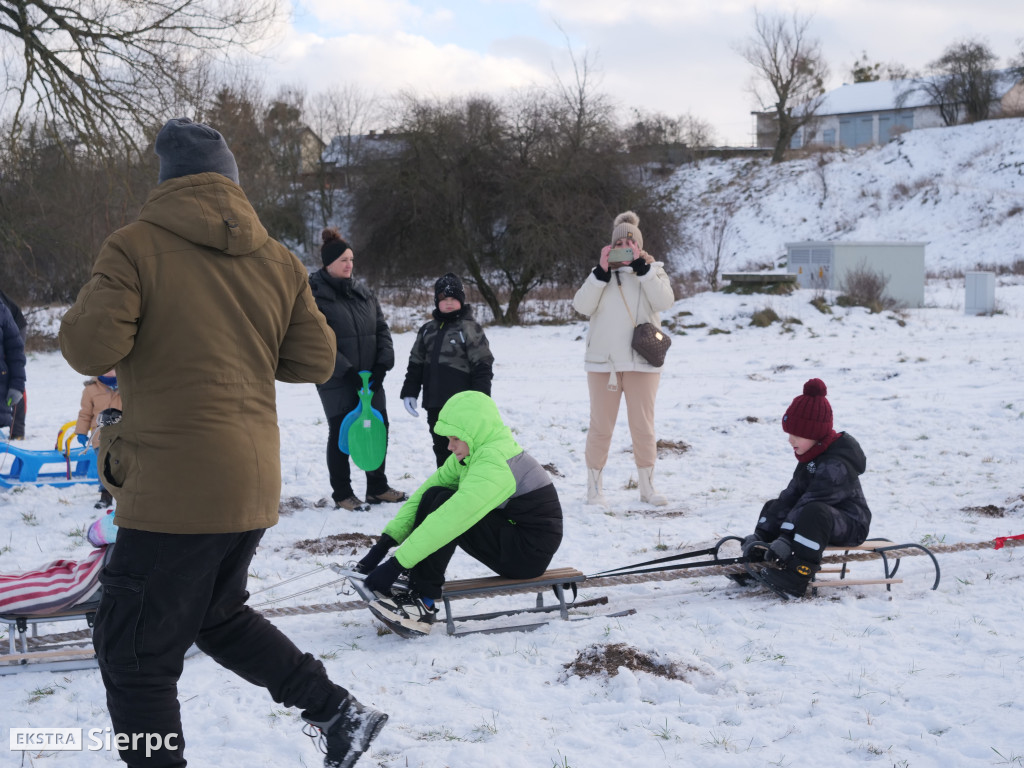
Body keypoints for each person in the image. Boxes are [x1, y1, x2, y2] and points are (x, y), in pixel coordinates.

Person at [59, 117, 387, 768]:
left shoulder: (134, 247)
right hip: (251, 482)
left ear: (167, 179)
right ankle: (337, 712)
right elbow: (317, 359)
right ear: (232, 183)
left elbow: (87, 348)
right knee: (215, 615)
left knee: (132, 650)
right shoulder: (275, 258)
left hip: (175, 486)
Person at [355, 390, 563, 636]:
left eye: (455, 438)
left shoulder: (494, 461)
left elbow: (454, 518)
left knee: (449, 507)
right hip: (512, 537)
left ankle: (423, 603)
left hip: (527, 553)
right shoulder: (474, 452)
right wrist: (383, 546)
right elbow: (425, 494)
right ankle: (418, 578)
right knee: (436, 494)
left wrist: (396, 564)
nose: (450, 446)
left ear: (473, 433)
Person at [571, 210, 675, 508]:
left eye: (631, 242)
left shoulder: (653, 270)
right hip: (604, 363)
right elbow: (581, 305)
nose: (625, 246)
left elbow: (665, 301)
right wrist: (601, 272)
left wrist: (643, 267)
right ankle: (594, 489)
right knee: (601, 426)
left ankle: (648, 488)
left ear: (639, 246)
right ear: (611, 245)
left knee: (643, 425)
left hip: (643, 361)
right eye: (620, 242)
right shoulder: (601, 275)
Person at [742, 378, 873, 598]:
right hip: (820, 521)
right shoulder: (810, 458)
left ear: (816, 434)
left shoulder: (836, 464)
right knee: (776, 505)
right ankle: (758, 562)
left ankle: (798, 575)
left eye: (797, 435)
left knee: (814, 512)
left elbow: (810, 501)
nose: (790, 440)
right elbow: (791, 497)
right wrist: (761, 536)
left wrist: (785, 539)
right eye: (789, 434)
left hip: (850, 523)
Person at [310, 228, 407, 510]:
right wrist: (347, 371)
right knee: (342, 431)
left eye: (351, 259)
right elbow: (319, 340)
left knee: (378, 426)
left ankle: (377, 487)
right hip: (338, 379)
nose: (349, 264)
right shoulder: (315, 296)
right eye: (343, 260)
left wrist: (381, 366)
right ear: (328, 264)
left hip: (370, 378)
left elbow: (382, 329)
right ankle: (342, 494)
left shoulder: (364, 294)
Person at [400, 273, 494, 467]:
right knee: (442, 447)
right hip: (435, 404)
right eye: (444, 299)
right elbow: (415, 363)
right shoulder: (427, 329)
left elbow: (483, 366)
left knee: (463, 449)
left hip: (462, 406)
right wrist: (410, 392)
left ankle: (467, 487)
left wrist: (480, 400)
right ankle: (445, 485)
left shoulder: (469, 329)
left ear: (461, 300)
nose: (449, 303)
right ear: (437, 302)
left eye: (453, 299)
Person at [75, 369, 122, 508]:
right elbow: (85, 414)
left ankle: (125, 496)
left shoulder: (127, 385)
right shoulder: (90, 390)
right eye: (105, 368)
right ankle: (105, 496)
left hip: (123, 435)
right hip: (100, 437)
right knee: (105, 467)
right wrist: (81, 432)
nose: (109, 372)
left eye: (112, 368)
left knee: (123, 466)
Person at [0, 289, 27, 439]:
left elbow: (16, 352)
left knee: (13, 381)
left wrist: (17, 385)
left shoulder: (3, 309)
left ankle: (17, 431)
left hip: (16, 325)